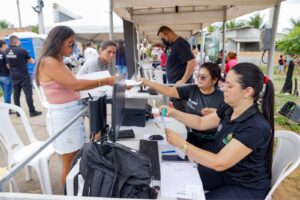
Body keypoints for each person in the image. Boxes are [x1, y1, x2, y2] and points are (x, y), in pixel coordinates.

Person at [162, 62, 274, 199]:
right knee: (179, 180)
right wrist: (173, 113)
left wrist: (182, 144)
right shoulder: (229, 108)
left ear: (248, 91)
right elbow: (201, 122)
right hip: (227, 173)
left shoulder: (255, 127)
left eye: (230, 86)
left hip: (245, 186)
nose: (223, 88)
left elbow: (219, 162)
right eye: (224, 83)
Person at [34, 25, 116, 186]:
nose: (73, 47)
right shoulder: (49, 61)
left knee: (76, 158)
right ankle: (67, 193)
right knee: (70, 162)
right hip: (64, 117)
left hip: (70, 115)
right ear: (58, 42)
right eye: (70, 43)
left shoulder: (57, 61)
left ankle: (74, 190)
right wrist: (105, 81)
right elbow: (75, 84)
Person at [142, 62, 224, 149]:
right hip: (192, 135)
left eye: (203, 77)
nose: (199, 79)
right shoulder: (192, 89)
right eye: (198, 75)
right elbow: (169, 91)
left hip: (211, 140)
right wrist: (148, 83)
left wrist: (216, 114)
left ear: (214, 80)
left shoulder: (222, 98)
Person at [157, 26, 197, 111]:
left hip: (180, 88)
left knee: (181, 112)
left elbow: (192, 62)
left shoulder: (181, 44)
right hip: (173, 86)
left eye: (162, 38)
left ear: (166, 33)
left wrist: (183, 80)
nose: (162, 41)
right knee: (175, 110)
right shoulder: (172, 45)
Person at [5, 35, 41, 117]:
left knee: (16, 94)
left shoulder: (6, 51)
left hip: (13, 75)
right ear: (17, 41)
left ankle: (18, 113)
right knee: (28, 94)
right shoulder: (22, 50)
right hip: (23, 75)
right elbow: (32, 61)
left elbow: (8, 65)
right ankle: (32, 112)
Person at [0, 40, 12, 106]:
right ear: (3, 45)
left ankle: (7, 107)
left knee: (5, 92)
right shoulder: (4, 53)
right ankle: (7, 109)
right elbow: (8, 66)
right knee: (7, 93)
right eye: (6, 45)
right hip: (6, 76)